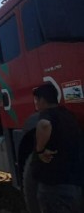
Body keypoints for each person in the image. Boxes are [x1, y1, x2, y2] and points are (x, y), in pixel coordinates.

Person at [31, 83, 82, 213]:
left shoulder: (47, 115)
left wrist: (40, 151)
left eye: (36, 100)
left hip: (55, 188)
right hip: (74, 185)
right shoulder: (69, 115)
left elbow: (44, 125)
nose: (35, 104)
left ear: (42, 100)